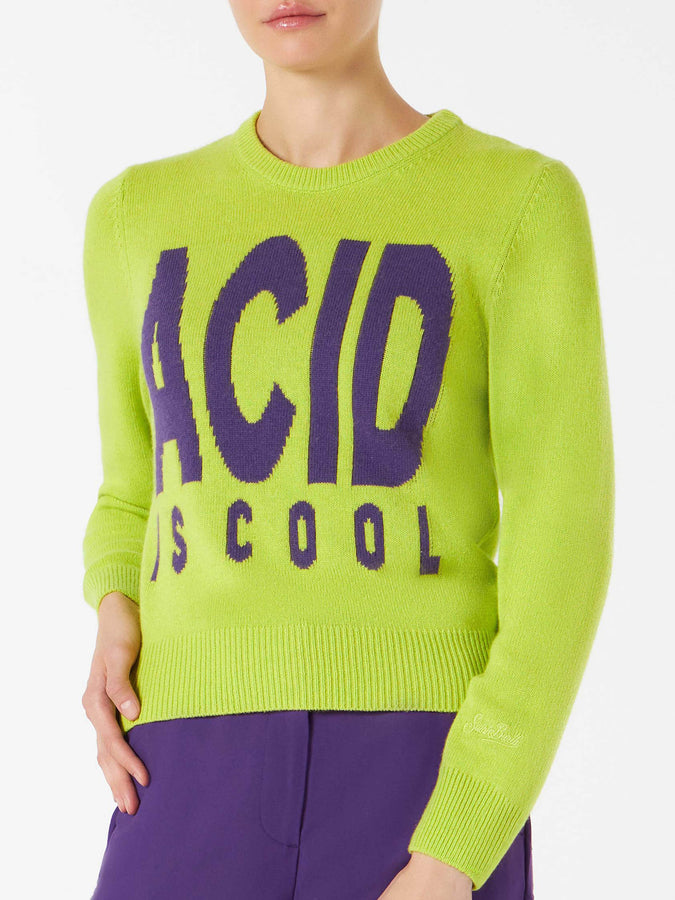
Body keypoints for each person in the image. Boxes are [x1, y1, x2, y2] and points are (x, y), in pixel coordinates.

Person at [79, 1, 614, 898]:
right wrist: (112, 600)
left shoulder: (516, 202)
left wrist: (458, 843)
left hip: (420, 768)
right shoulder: (135, 215)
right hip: (180, 762)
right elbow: (134, 487)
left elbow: (564, 536)